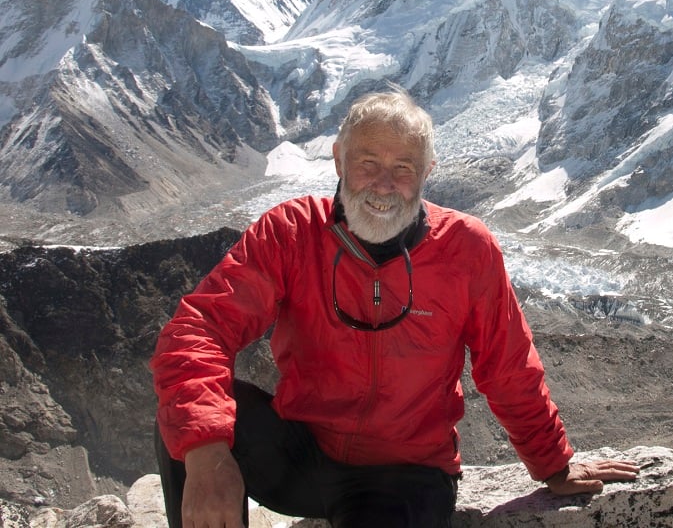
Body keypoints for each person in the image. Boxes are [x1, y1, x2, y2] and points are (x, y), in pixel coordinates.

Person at [151, 88, 638, 528]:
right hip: (300, 455)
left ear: (427, 173)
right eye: (368, 163)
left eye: (404, 167)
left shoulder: (466, 248)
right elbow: (201, 328)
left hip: (405, 475)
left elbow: (508, 366)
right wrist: (207, 451)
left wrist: (552, 463)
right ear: (339, 160)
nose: (384, 185)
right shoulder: (292, 232)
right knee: (195, 417)